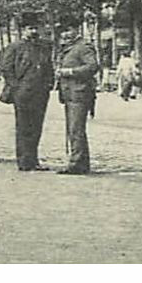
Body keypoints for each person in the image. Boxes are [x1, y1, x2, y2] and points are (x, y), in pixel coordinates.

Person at [0, 12, 53, 171]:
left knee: (37, 127)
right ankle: (24, 160)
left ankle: (34, 159)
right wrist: (16, 87)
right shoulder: (15, 47)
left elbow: (49, 66)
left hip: (40, 93)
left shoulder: (44, 46)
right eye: (30, 28)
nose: (34, 31)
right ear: (23, 30)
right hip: (23, 93)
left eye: (36, 28)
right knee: (23, 127)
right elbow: (5, 68)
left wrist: (49, 84)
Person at [55, 23, 99, 174]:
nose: (65, 34)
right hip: (70, 94)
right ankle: (80, 162)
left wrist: (70, 71)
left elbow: (92, 66)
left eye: (68, 29)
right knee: (74, 129)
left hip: (80, 93)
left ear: (76, 29)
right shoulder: (68, 47)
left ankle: (77, 163)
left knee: (76, 129)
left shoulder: (84, 46)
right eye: (63, 32)